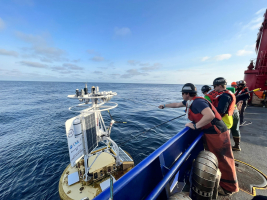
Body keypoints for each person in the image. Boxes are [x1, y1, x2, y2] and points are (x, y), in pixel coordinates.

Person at [159, 83, 239, 196]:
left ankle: (229, 188)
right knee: (217, 158)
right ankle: (223, 184)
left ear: (187, 94)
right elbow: (177, 104)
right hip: (211, 133)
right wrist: (164, 105)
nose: (182, 95)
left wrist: (196, 126)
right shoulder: (190, 101)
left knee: (223, 159)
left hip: (217, 132)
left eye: (183, 93)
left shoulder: (198, 102)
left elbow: (210, 115)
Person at [202, 84, 241, 151]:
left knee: (225, 131)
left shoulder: (208, 96)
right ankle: (237, 145)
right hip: (234, 111)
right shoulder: (225, 92)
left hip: (225, 116)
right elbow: (233, 89)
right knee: (235, 129)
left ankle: (225, 149)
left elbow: (215, 109)